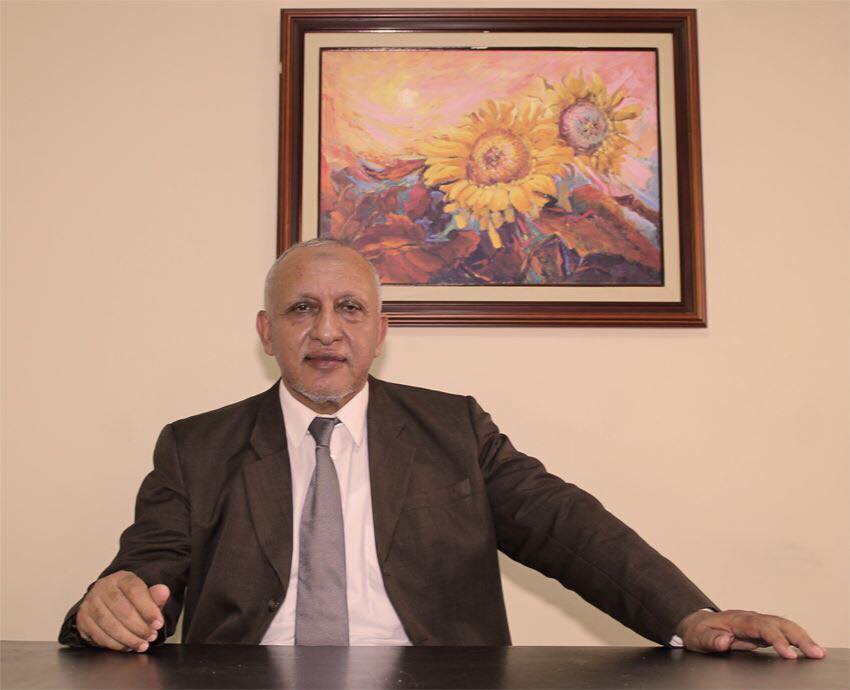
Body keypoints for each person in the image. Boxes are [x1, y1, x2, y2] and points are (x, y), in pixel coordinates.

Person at [59, 239, 825, 659]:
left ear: (380, 330)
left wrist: (691, 615)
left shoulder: (453, 429)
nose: (326, 331)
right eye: (300, 309)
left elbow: (566, 526)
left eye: (349, 308)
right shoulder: (196, 447)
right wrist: (109, 601)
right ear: (267, 333)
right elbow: (143, 572)